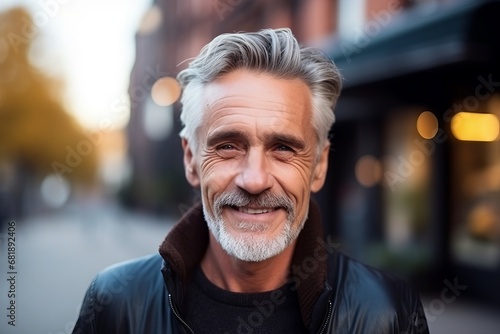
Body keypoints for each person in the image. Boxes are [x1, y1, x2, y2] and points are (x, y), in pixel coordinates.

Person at [72, 28, 429, 334]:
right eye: (228, 146)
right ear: (190, 159)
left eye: (283, 148)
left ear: (319, 166)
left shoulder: (388, 311)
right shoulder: (115, 302)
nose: (255, 180)